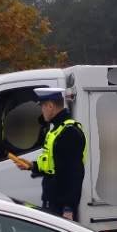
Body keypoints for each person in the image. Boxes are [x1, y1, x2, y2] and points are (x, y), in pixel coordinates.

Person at [16, 88, 86, 220]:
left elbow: (75, 173)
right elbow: (54, 165)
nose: (41, 111)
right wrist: (32, 166)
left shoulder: (69, 132)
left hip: (61, 206)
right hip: (52, 201)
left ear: (50, 106)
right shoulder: (57, 129)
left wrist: (68, 208)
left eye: (42, 107)